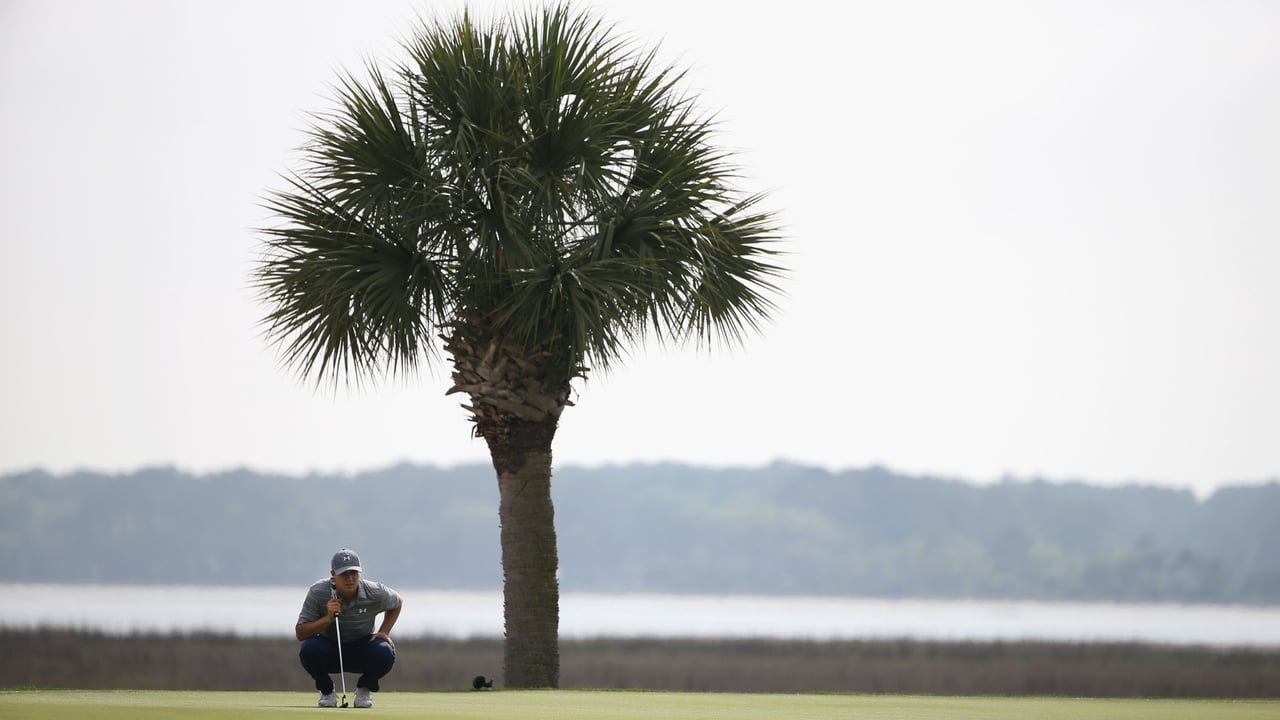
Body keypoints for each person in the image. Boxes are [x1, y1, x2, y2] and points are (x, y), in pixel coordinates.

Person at [296, 548, 403, 708]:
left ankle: (364, 688)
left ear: (360, 573)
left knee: (385, 651)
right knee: (309, 649)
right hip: (330, 648)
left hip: (362, 647)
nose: (350, 579)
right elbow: (300, 633)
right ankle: (326, 690)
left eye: (354, 573)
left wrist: (384, 631)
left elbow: (397, 602)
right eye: (344, 574)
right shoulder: (318, 592)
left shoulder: (375, 591)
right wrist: (327, 619)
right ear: (333, 574)